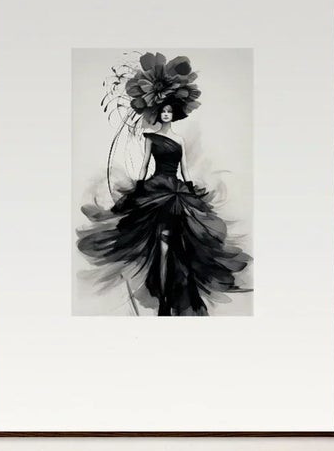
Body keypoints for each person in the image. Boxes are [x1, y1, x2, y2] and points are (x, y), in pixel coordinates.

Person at [77, 96, 251, 317]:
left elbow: (185, 169)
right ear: (158, 114)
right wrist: (139, 188)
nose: (166, 114)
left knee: (175, 249)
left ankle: (168, 298)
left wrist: (191, 188)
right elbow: (144, 165)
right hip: (156, 190)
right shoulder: (151, 138)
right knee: (162, 249)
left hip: (176, 192)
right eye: (163, 111)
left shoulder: (179, 140)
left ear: (173, 114)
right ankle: (163, 301)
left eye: (169, 111)